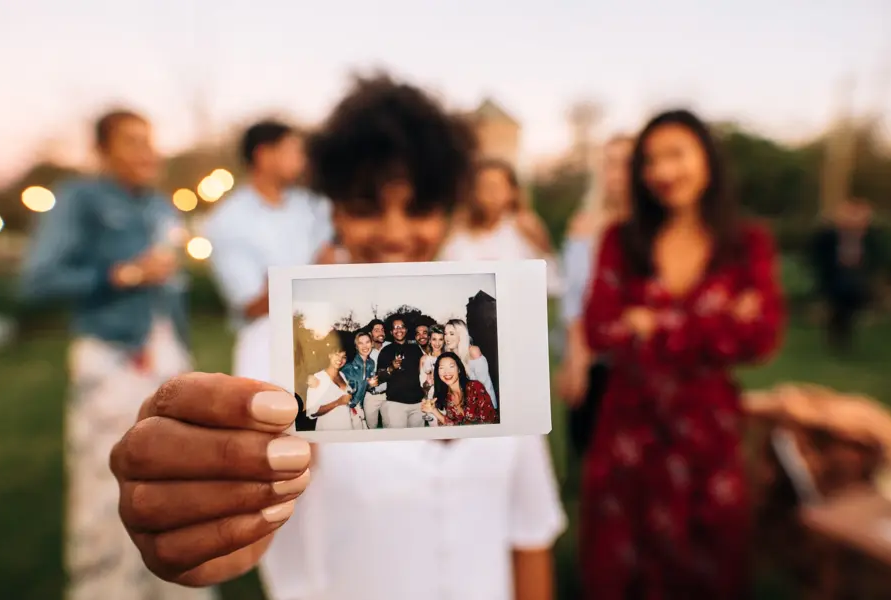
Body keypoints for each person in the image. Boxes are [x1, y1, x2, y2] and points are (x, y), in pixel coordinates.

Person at [108, 74, 565, 600]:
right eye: (367, 207)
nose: (394, 233)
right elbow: (258, 499)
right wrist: (220, 511)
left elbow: (530, 526)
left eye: (417, 209)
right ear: (335, 210)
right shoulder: (282, 339)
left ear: (446, 210)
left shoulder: (496, 323)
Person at [578, 109, 784, 599]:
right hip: (629, 428)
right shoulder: (621, 240)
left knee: (707, 564)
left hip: (707, 432)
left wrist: (653, 324)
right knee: (622, 563)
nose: (663, 172)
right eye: (650, 160)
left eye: (676, 154)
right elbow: (600, 329)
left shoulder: (746, 243)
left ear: (707, 160)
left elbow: (761, 337)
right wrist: (714, 322)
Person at [20, 110, 210, 600]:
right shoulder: (79, 199)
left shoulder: (161, 204)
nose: (148, 152)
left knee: (180, 476)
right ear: (103, 151)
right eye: (132, 141)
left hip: (169, 356)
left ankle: (181, 584)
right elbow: (37, 280)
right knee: (106, 484)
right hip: (110, 356)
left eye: (150, 140)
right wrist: (122, 275)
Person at [204, 120, 333, 381]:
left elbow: (336, 255)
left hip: (325, 336)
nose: (301, 160)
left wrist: (282, 282)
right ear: (264, 155)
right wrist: (317, 274)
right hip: (268, 344)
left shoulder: (309, 205)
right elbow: (251, 303)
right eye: (293, 151)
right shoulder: (229, 220)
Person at [556, 134, 633, 454]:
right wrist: (576, 360)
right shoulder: (585, 225)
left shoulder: (658, 230)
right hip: (595, 354)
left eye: (626, 164)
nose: (617, 173)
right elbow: (574, 297)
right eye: (609, 164)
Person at [439, 158, 561, 294]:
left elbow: (550, 276)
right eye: (485, 187)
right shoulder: (457, 231)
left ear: (513, 192)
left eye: (497, 187)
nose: (491, 194)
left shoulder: (525, 227)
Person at [810, 197, 884, 353]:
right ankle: (836, 333)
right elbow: (818, 256)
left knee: (852, 299)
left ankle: (844, 333)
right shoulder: (829, 236)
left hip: (858, 276)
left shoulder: (871, 238)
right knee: (840, 298)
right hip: (835, 276)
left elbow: (876, 259)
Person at [374, 316, 426, 427]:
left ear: (406, 330)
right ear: (391, 332)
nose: (399, 330)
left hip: (417, 404)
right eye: (395, 328)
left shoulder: (415, 349)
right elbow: (380, 377)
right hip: (395, 404)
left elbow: (424, 372)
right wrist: (392, 367)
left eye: (402, 327)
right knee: (397, 441)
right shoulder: (386, 351)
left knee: (417, 440)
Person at [304, 333, 363, 430]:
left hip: (346, 425)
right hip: (328, 428)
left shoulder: (343, 375)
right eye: (337, 354)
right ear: (329, 355)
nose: (340, 359)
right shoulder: (318, 378)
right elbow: (311, 411)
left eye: (344, 356)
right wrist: (338, 402)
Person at [423, 352, 498, 426]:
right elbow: (453, 426)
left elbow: (490, 421)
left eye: (451, 366)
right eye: (442, 368)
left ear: (459, 369)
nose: (447, 372)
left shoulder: (475, 387)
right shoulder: (446, 397)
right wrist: (434, 410)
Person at [444, 318, 498, 409]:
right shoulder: (450, 356)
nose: (447, 338)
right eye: (445, 334)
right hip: (466, 405)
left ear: (461, 335)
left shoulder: (473, 351)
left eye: (452, 334)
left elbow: (484, 385)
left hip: (484, 404)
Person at [363, 318, 390, 428]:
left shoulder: (390, 346)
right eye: (377, 330)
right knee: (371, 428)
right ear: (370, 334)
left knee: (390, 427)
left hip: (388, 395)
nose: (381, 332)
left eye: (382, 329)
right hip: (371, 396)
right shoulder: (365, 349)